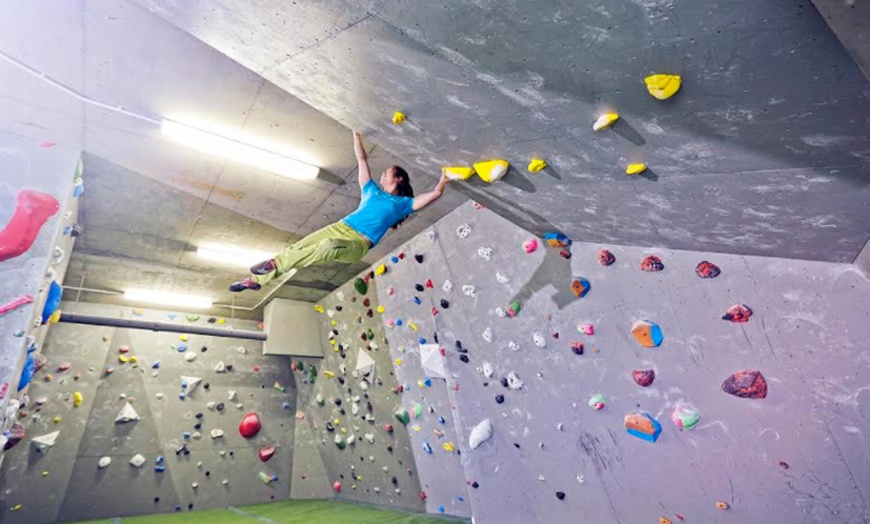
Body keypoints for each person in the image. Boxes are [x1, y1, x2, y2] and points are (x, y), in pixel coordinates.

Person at [229, 131, 450, 292]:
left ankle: (276, 264)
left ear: (398, 178)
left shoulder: (403, 203)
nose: (382, 174)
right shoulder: (370, 189)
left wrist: (443, 180)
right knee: (300, 246)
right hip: (341, 226)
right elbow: (361, 159)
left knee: (328, 246)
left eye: (387, 172)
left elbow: (434, 195)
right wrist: (356, 135)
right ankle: (256, 282)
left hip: (359, 242)